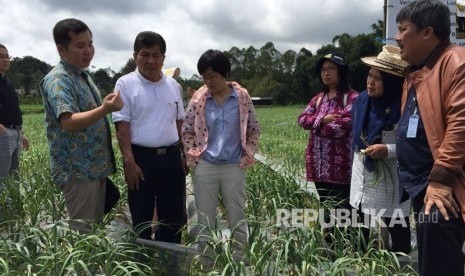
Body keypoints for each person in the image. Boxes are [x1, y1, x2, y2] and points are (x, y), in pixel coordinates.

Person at [395, 1, 465, 275]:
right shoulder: (418, 72)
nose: (398, 37)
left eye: (403, 30)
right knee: (430, 261)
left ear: (427, 32)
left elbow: (461, 123)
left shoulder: (455, 63)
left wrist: (440, 178)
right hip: (423, 187)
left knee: (439, 266)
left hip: (443, 189)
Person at [40, 18, 123, 234]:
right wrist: (104, 109)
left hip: (92, 168)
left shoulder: (82, 75)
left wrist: (102, 106)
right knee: (83, 233)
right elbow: (68, 121)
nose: (88, 51)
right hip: (77, 171)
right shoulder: (59, 79)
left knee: (92, 229)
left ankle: (94, 266)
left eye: (90, 44)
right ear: (61, 49)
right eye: (80, 46)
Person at [182, 49, 260, 264]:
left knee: (237, 214)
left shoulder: (241, 98)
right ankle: (207, 261)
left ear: (225, 74)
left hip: (234, 166)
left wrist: (248, 154)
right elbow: (187, 129)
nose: (208, 81)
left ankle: (240, 259)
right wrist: (193, 157)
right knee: (204, 216)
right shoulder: (199, 99)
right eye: (204, 76)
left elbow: (254, 129)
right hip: (205, 164)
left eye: (212, 76)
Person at [112, 31, 186, 243]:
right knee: (142, 216)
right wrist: (129, 162)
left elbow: (179, 121)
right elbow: (121, 126)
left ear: (163, 58)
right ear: (135, 56)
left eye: (156, 55)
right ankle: (143, 263)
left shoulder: (174, 86)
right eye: (145, 55)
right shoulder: (125, 84)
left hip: (171, 158)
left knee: (173, 217)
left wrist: (183, 154)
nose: (151, 61)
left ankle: (170, 264)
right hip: (141, 161)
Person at [350, 45, 411, 254]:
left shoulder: (406, 106)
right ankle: (360, 259)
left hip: (391, 174)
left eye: (378, 78)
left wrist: (388, 150)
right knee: (361, 218)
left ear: (393, 82)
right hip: (362, 171)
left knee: (396, 222)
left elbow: (414, 143)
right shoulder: (361, 100)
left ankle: (400, 263)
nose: (370, 81)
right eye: (369, 75)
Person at [297, 52, 358, 243]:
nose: (326, 73)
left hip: (341, 167)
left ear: (341, 72)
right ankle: (330, 244)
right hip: (318, 166)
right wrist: (321, 120)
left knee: (344, 207)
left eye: (331, 69)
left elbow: (343, 126)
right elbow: (301, 119)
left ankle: (349, 245)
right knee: (326, 205)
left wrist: (316, 127)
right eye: (323, 70)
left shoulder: (352, 97)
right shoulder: (318, 99)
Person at [0, 44, 29, 181]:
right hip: (3, 135)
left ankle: (12, 204)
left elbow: (12, 109)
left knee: (13, 179)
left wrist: (20, 133)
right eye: (1, 56)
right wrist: (3, 131)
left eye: (7, 56)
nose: (5, 60)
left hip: (15, 134)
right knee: (2, 180)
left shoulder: (7, 81)